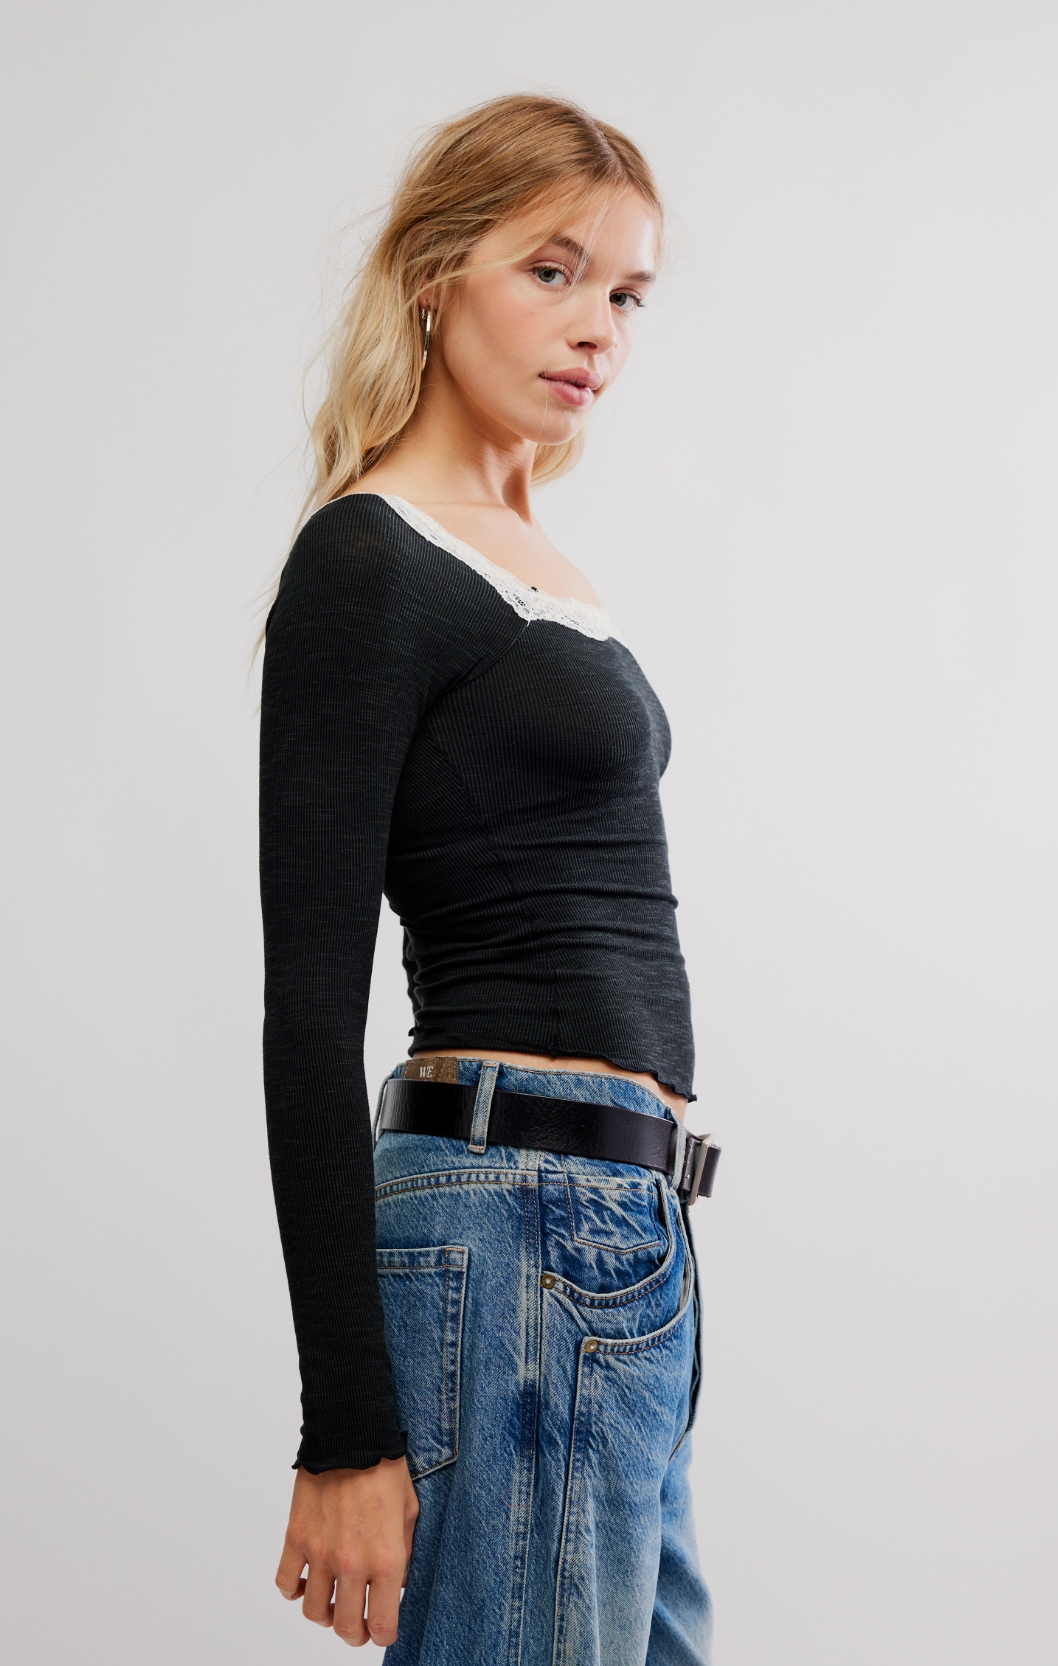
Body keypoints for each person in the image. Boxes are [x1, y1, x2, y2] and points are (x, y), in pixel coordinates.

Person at [259, 93, 717, 1664]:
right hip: (517, 1209)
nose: (597, 328)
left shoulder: (531, 557)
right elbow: (306, 1011)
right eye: (553, 271)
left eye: (628, 293)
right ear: (434, 271)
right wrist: (344, 1428)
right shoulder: (371, 558)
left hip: (616, 1227)